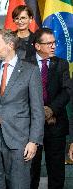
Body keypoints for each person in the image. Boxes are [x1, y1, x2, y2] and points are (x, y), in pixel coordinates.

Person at [0, 29, 44, 189]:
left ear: (10, 45)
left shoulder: (31, 71)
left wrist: (33, 141)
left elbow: (37, 110)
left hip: (20, 142)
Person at [29, 28, 70, 189]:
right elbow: (21, 93)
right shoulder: (25, 64)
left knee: (56, 171)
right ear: (37, 46)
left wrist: (51, 110)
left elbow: (67, 91)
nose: (53, 46)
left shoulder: (61, 64)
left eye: (54, 43)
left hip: (56, 124)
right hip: (31, 126)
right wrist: (40, 112)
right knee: (32, 169)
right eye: (49, 43)